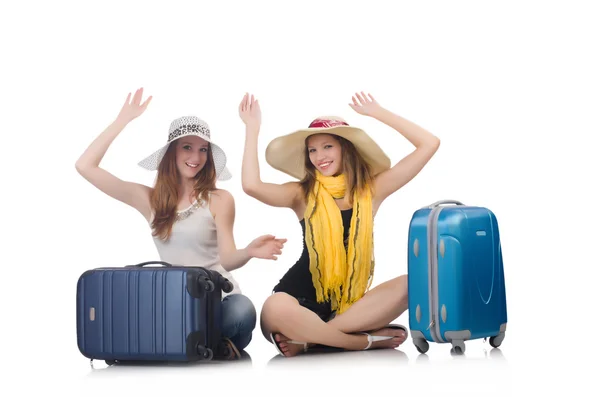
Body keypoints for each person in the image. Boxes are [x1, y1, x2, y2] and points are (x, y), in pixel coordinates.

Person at [75, 87, 287, 359]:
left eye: (202, 150)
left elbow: (229, 259)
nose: (195, 158)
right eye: (187, 147)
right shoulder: (149, 200)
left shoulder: (219, 199)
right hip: (175, 302)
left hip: (219, 302)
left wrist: (248, 252)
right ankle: (208, 344)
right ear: (172, 153)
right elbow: (85, 166)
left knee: (242, 311)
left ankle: (197, 341)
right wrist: (123, 120)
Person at [239, 91, 440, 357]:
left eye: (327, 146)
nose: (318, 156)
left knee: (409, 284)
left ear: (346, 147)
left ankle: (315, 340)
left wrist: (377, 112)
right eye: (312, 149)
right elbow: (251, 186)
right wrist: (252, 128)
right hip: (295, 305)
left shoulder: (371, 191)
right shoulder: (301, 193)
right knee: (273, 307)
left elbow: (429, 143)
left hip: (348, 310)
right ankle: (360, 342)